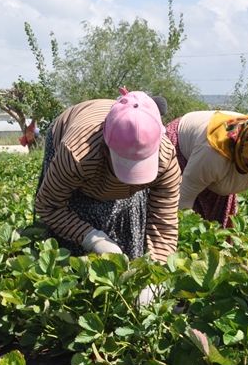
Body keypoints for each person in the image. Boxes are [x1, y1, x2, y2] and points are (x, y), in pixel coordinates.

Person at [33, 90, 181, 263]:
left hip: (101, 157)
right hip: (73, 134)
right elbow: (49, 205)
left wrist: (159, 269)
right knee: (74, 230)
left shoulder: (165, 158)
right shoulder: (78, 153)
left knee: (130, 220)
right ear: (106, 149)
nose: (131, 176)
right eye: (126, 164)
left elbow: (163, 223)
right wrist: (94, 239)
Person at [164, 109, 248, 241]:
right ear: (242, 145)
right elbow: (183, 198)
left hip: (215, 166)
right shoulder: (213, 153)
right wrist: (176, 239)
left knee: (216, 234)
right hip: (182, 146)